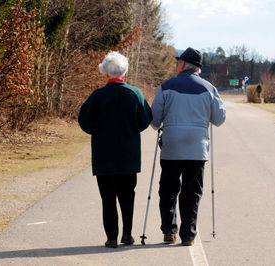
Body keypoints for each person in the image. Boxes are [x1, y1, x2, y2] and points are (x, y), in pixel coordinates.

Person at [151, 47, 226, 246]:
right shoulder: (209, 88)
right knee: (192, 192)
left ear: (183, 64)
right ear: (198, 68)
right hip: (197, 148)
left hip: (172, 147)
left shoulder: (166, 86)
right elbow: (219, 119)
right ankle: (189, 235)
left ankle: (169, 230)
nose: (177, 65)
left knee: (168, 190)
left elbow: (154, 120)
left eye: (178, 62)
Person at [78, 51, 152, 248]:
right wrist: (132, 128)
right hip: (128, 156)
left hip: (104, 157)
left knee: (108, 198)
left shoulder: (97, 96)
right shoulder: (134, 93)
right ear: (124, 73)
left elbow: (84, 121)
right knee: (128, 196)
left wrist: (96, 131)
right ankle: (127, 234)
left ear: (106, 73)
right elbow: (145, 119)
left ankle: (112, 237)